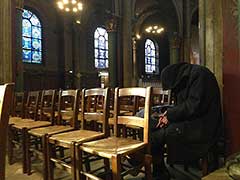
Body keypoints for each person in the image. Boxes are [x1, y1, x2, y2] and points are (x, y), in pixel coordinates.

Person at [150, 62, 223, 179]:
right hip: (193, 121)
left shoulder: (200, 75)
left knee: (163, 133)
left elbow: (194, 106)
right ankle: (159, 168)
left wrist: (170, 115)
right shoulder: (184, 77)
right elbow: (182, 106)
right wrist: (167, 115)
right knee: (154, 127)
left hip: (204, 126)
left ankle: (159, 171)